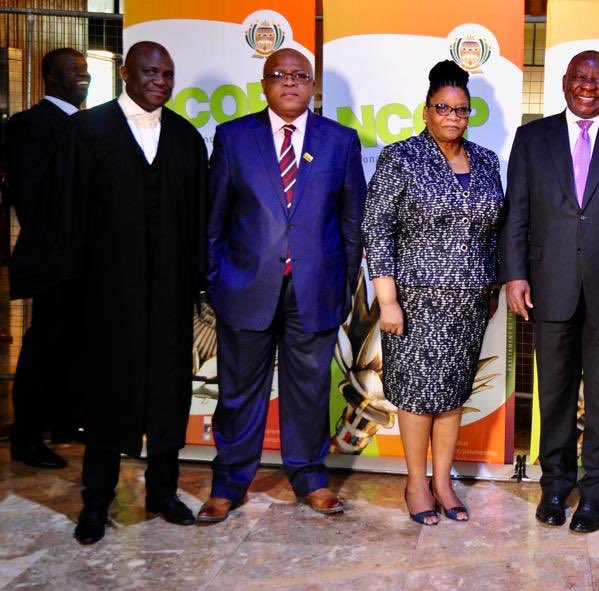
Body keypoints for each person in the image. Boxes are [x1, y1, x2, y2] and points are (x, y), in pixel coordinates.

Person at [33, 42, 209, 544]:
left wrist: (196, 282)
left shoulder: (185, 138)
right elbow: (65, 214)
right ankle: (96, 500)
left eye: (168, 74)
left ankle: (163, 491)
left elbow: (198, 218)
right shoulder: (87, 131)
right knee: (108, 394)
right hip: (107, 296)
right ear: (126, 73)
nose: (160, 81)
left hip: (170, 294)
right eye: (150, 72)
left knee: (169, 391)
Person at [199, 48, 365, 523]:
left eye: (299, 75)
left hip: (315, 289)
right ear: (264, 84)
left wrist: (343, 284)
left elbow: (351, 221)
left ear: (312, 84)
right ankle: (229, 484)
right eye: (279, 74)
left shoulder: (340, 140)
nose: (289, 82)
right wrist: (217, 279)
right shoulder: (233, 137)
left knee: (309, 391)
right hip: (245, 288)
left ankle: (311, 478)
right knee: (238, 392)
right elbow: (214, 219)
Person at [500, 50, 599, 534]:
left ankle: (595, 493)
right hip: (548, 286)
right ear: (564, 82)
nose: (588, 86)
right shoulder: (533, 137)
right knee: (554, 392)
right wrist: (514, 274)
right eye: (580, 77)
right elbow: (517, 210)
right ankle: (555, 486)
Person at [362, 60, 504, 525]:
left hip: (470, 302)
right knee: (418, 395)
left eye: (461, 109)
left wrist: (493, 283)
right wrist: (387, 299)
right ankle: (416, 483)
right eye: (443, 108)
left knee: (452, 395)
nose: (452, 117)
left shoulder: (486, 161)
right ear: (426, 111)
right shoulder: (400, 158)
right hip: (414, 302)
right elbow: (376, 228)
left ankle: (443, 483)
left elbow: (495, 231)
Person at [5, 48, 90, 468]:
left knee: (74, 343)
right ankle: (26, 437)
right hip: (54, 260)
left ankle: (64, 421)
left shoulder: (86, 124)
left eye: (85, 69)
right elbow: (31, 197)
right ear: (50, 77)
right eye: (73, 70)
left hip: (85, 261)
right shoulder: (29, 125)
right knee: (44, 346)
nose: (83, 75)